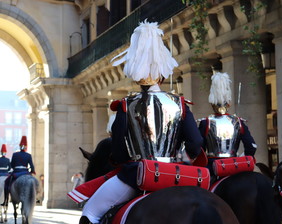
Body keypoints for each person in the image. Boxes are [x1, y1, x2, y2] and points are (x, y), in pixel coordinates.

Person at [79, 20, 204, 224]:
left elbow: (118, 151)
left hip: (137, 174)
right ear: (162, 75)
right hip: (176, 173)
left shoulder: (125, 105)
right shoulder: (180, 103)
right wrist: (181, 158)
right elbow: (196, 142)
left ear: (136, 73)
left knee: (90, 213)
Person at [198, 72, 257, 177]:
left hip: (213, 168)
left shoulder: (205, 122)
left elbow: (199, 149)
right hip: (234, 166)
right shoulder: (238, 121)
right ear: (229, 104)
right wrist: (241, 160)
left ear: (212, 103)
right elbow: (251, 147)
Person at [1, 136, 35, 206]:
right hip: (25, 172)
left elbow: (12, 164)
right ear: (26, 147)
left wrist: (15, 168)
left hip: (17, 172)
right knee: (34, 183)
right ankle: (35, 197)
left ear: (20, 146)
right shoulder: (28, 155)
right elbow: (31, 165)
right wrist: (32, 171)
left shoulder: (15, 154)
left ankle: (5, 200)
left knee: (6, 182)